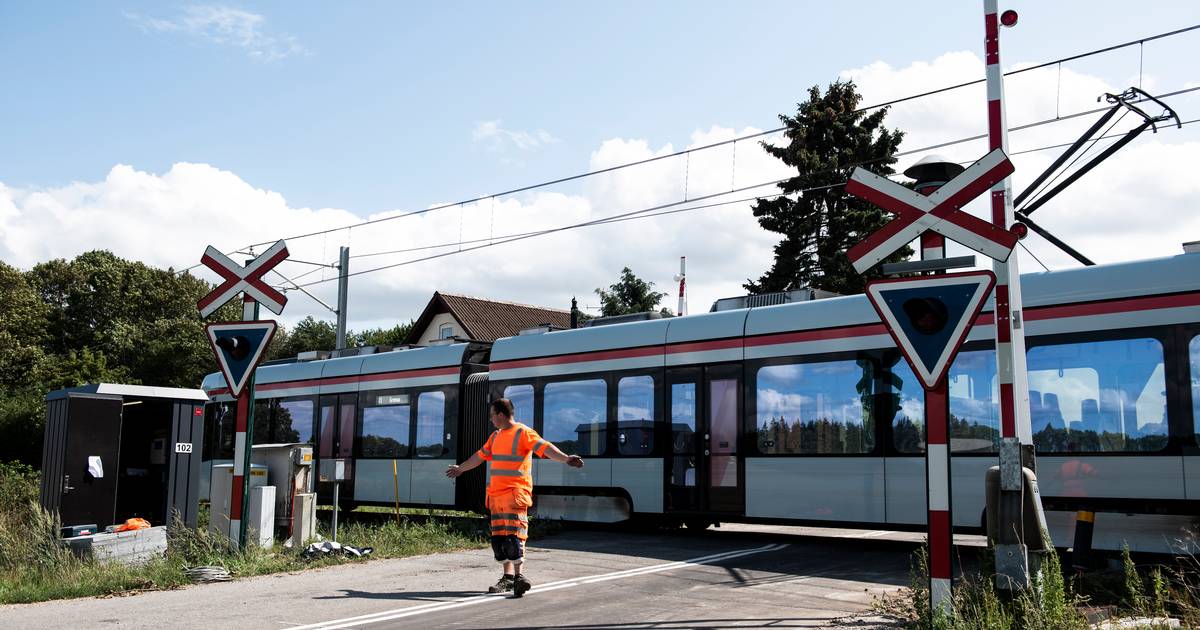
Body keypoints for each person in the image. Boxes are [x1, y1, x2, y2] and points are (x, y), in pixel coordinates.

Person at [446, 397, 584, 597]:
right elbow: (479, 456)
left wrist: (566, 459)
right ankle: (508, 579)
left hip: (515, 494)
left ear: (500, 415)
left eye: (492, 415)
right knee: (500, 540)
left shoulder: (523, 433)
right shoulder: (495, 436)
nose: (491, 419)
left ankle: (519, 577)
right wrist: (461, 469)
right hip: (496, 497)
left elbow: (544, 448)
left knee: (514, 538)